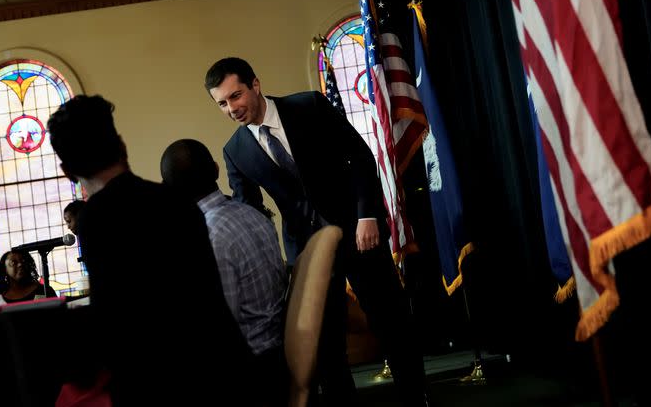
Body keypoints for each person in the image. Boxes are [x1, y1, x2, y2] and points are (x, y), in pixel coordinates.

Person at [205, 57, 431, 407]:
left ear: (255, 84)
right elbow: (250, 211)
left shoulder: (308, 106)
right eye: (222, 103)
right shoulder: (234, 152)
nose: (232, 108)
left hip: (359, 233)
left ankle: (416, 397)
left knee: (391, 321)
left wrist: (366, 216)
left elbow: (359, 157)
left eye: (236, 96)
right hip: (307, 253)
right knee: (324, 345)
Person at [46, 94, 255, 406]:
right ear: (122, 146)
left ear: (66, 171)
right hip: (228, 375)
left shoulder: (95, 221)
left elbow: (117, 326)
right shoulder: (177, 201)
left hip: (163, 386)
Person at [161, 138, 289, 406]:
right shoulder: (253, 214)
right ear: (217, 170)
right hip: (280, 352)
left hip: (252, 371)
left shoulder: (206, 237)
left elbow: (222, 327)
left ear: (170, 191)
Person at [0, 249, 58, 314]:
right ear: (4, 269)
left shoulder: (44, 291)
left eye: (23, 261)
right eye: (13, 262)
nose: (20, 264)